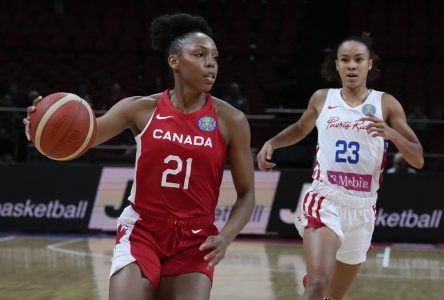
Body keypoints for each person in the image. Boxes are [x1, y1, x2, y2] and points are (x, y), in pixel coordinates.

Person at [24, 13, 255, 300]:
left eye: (215, 57)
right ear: (175, 62)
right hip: (143, 230)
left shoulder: (231, 120)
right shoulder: (139, 109)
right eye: (199, 54)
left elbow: (247, 195)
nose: (211, 63)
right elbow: (82, 139)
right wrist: (39, 127)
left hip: (195, 238)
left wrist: (225, 237)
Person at [257, 33, 423, 300]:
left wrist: (392, 134)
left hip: (362, 208)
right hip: (326, 200)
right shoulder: (323, 98)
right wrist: (273, 143)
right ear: (336, 65)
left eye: (359, 59)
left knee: (333, 296)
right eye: (345, 60)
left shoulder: (386, 104)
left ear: (370, 64)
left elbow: (417, 158)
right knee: (319, 284)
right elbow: (301, 128)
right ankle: (314, 281)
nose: (352, 66)